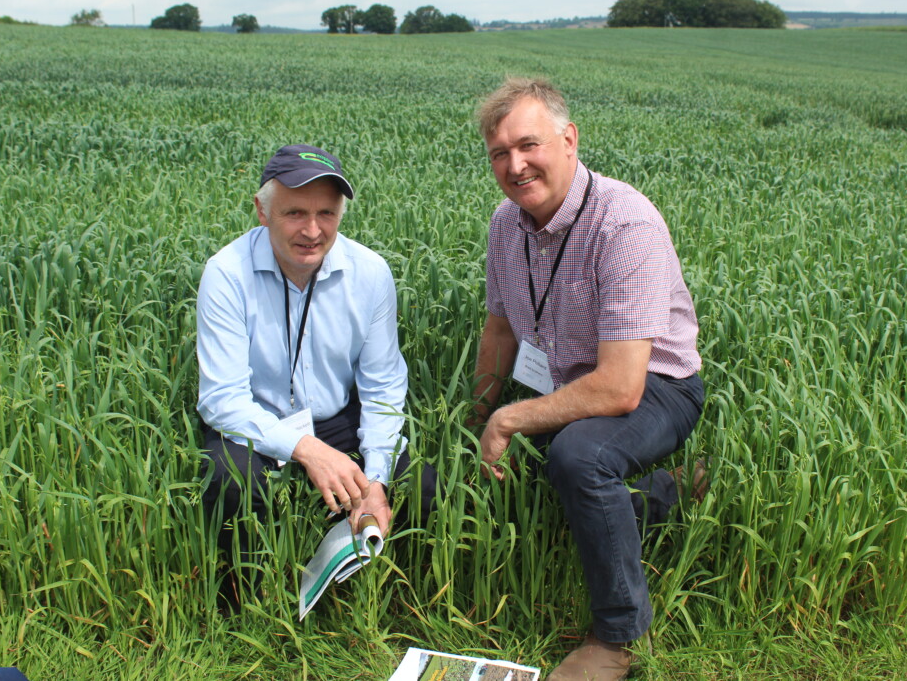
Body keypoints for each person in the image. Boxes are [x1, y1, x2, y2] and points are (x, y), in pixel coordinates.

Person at [470, 79, 706, 680]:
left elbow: (621, 387)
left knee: (579, 457)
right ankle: (662, 499)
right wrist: (475, 418)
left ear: (569, 140)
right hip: (571, 384)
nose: (515, 165)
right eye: (500, 152)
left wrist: (509, 417)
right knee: (544, 460)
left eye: (529, 145)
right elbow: (499, 331)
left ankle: (619, 637)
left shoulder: (622, 222)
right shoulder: (507, 224)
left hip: (656, 386)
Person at [197, 144, 434, 608]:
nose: (312, 230)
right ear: (262, 211)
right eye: (295, 213)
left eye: (327, 212)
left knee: (421, 485)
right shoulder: (225, 274)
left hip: (336, 416)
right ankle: (247, 607)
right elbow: (221, 399)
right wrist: (306, 450)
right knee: (229, 479)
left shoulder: (370, 273)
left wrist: (377, 478)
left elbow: (383, 386)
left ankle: (386, 604)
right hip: (253, 417)